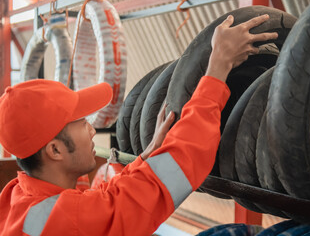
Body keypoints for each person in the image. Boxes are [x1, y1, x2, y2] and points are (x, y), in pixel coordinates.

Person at [0, 14, 277, 236]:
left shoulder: (18, 195)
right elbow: (179, 165)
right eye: (82, 123)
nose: (92, 130)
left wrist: (145, 158)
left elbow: (98, 205)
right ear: (55, 151)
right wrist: (218, 68)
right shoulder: (64, 221)